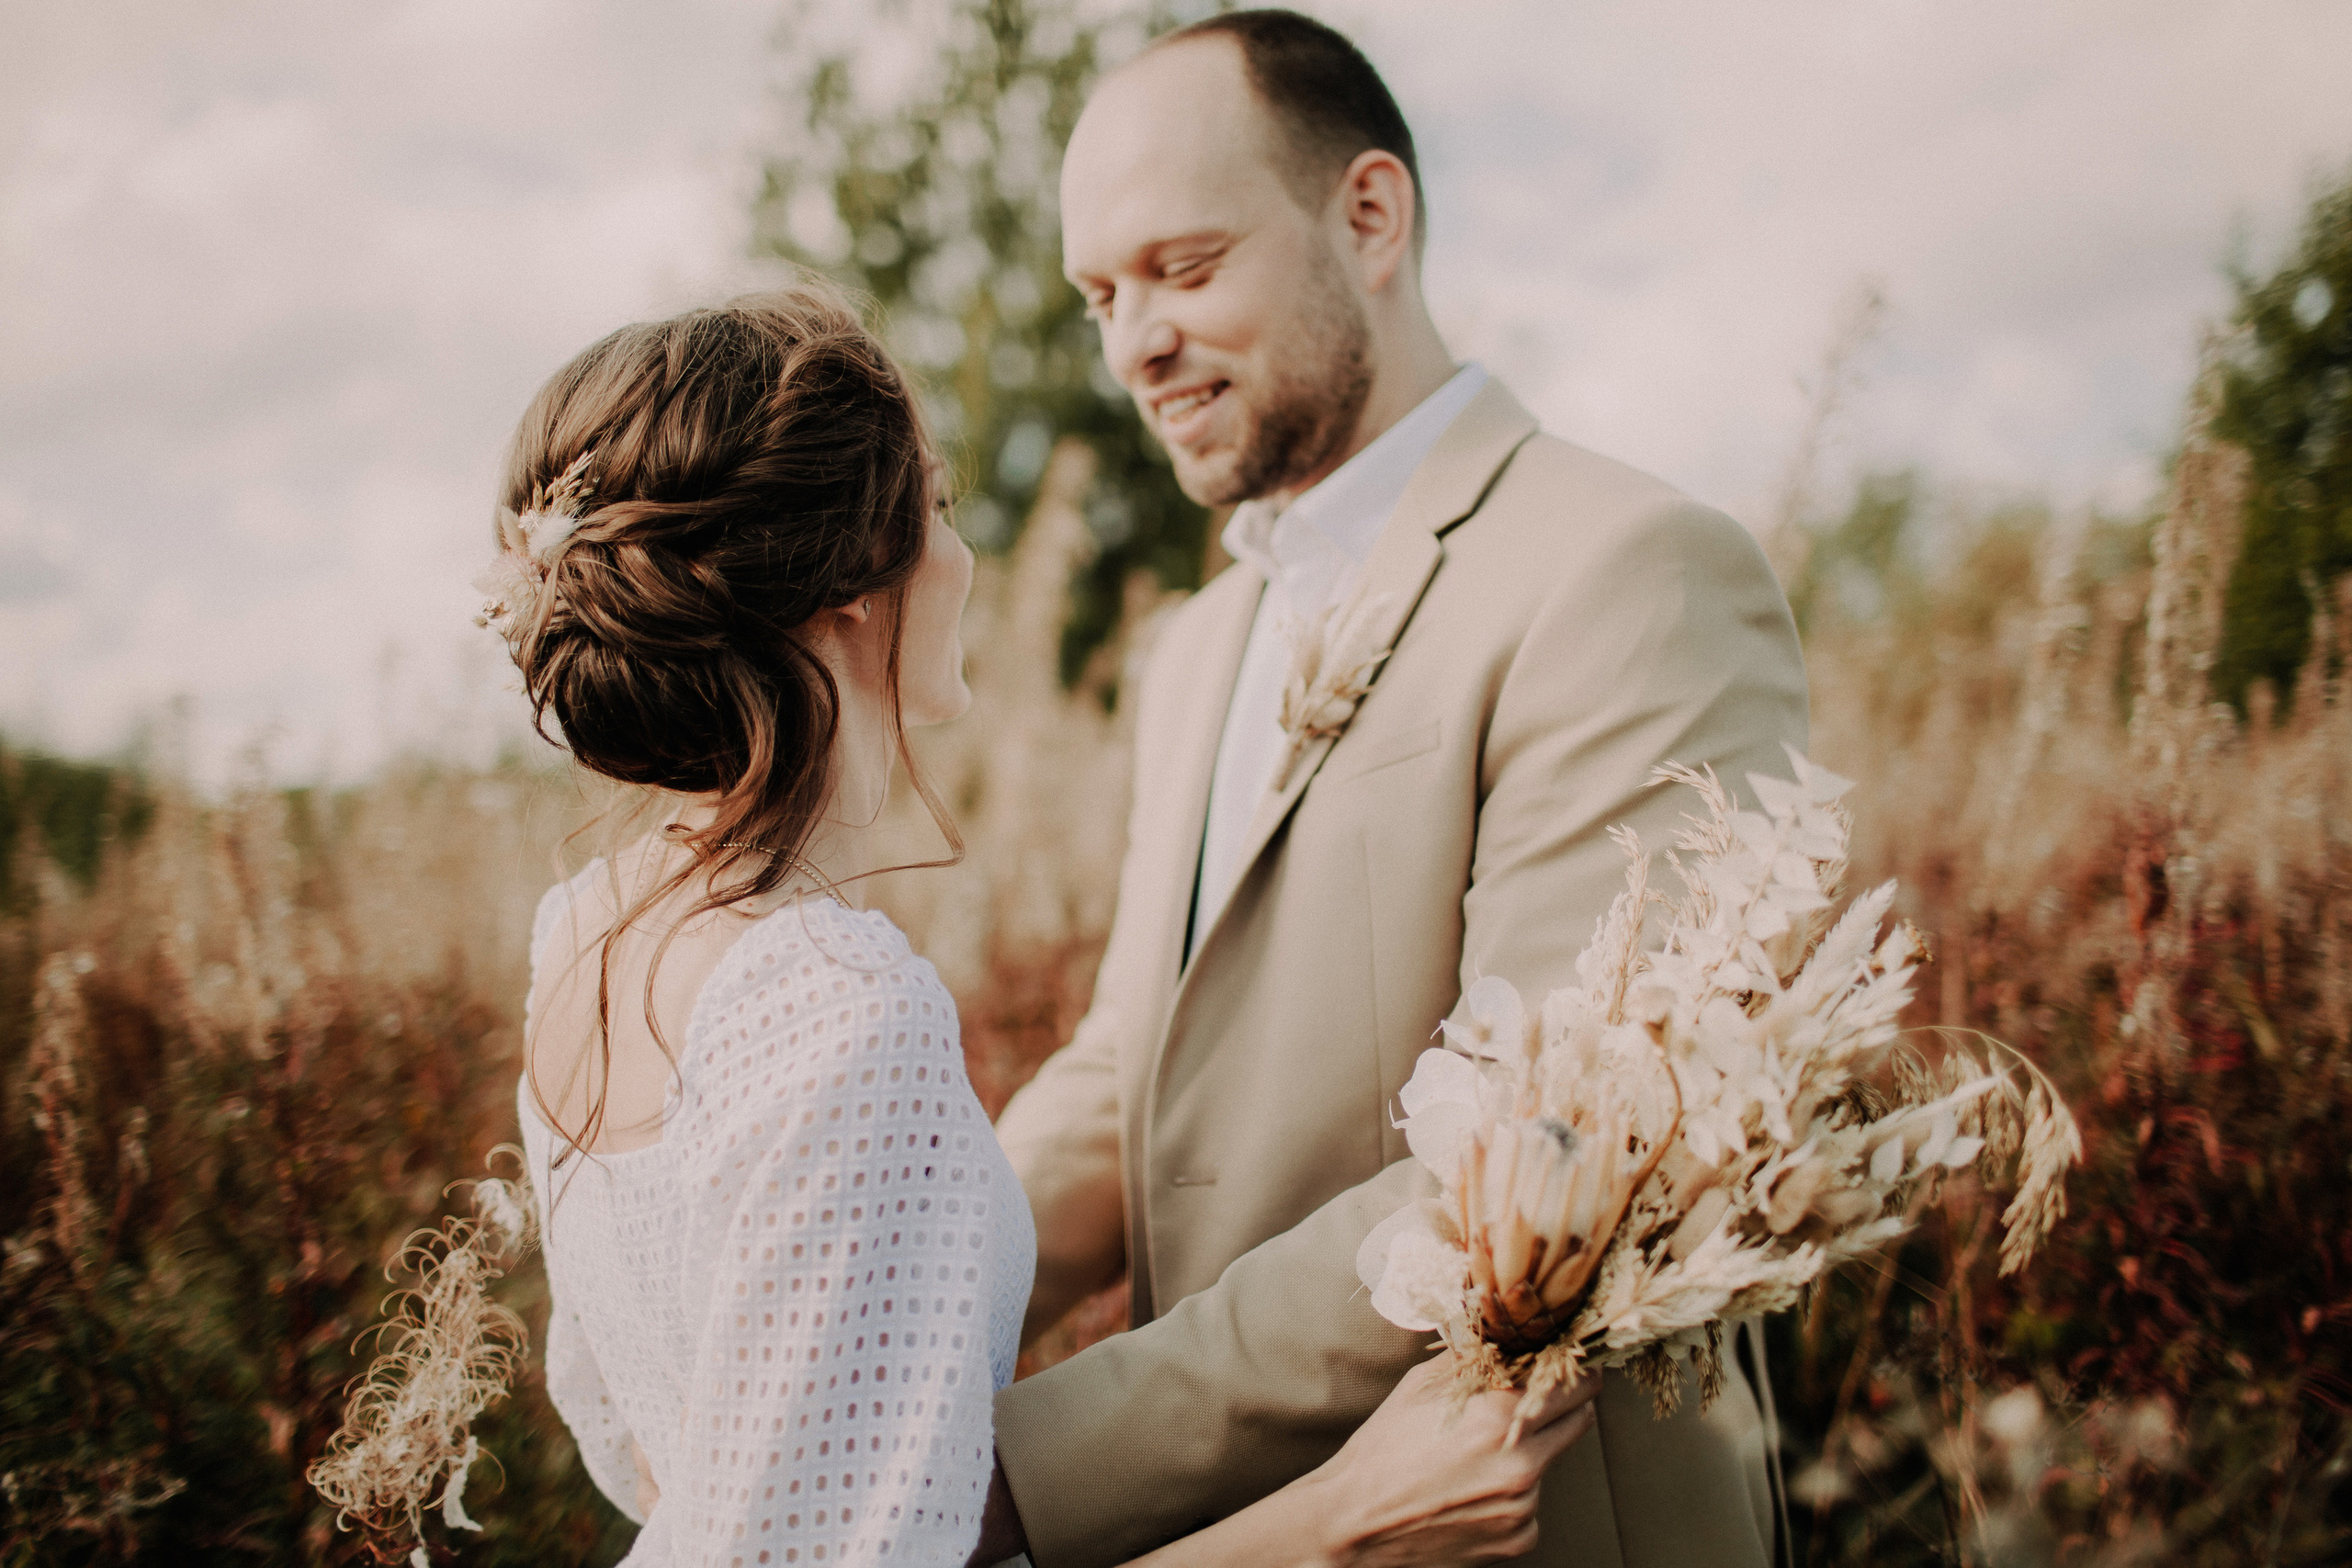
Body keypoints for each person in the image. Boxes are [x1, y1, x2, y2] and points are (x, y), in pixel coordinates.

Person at [492, 284, 1601, 1568]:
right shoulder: (834, 1005)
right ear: (853, 583)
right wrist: (1336, 1528)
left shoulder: (583, 943)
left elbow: (669, 1467)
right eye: (939, 507)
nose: (962, 557)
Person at [978, 11, 1808, 1568]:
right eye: (1101, 295)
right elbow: (1127, 1059)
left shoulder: (1628, 571)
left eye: (1183, 267)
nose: (1132, 342)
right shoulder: (1195, 648)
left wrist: (1031, 1471)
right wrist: (891, 1316)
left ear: (1369, 216)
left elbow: (1542, 1158)